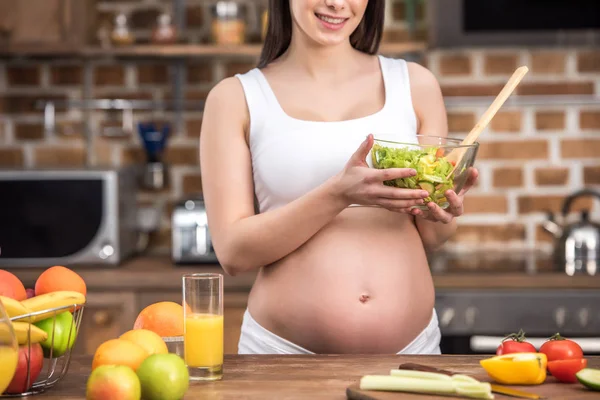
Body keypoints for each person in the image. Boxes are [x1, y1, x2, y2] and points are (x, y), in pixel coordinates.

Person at [199, 0, 478, 355]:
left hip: (412, 355)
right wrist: (338, 194)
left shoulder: (415, 85)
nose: (336, 3)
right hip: (282, 357)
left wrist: (446, 209)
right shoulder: (235, 98)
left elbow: (433, 235)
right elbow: (234, 253)